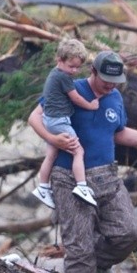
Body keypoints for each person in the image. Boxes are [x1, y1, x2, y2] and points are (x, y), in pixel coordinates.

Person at [27, 50, 137, 273]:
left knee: (131, 231)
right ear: (93, 71)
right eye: (106, 79)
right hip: (68, 177)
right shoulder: (69, 87)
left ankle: (99, 263)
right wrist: (54, 139)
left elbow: (118, 132)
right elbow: (34, 117)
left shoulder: (114, 97)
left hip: (107, 176)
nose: (110, 85)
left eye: (116, 80)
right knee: (79, 249)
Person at [32, 39, 100, 209]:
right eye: (71, 66)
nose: (74, 71)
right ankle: (82, 186)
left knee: (51, 154)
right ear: (59, 59)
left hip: (49, 119)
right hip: (58, 120)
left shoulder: (55, 74)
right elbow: (75, 98)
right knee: (78, 151)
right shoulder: (64, 77)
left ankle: (42, 186)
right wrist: (91, 105)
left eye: (77, 67)